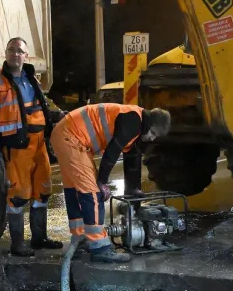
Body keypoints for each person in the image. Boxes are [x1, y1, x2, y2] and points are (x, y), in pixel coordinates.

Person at [51, 104, 171, 264]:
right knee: (93, 193)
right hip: (72, 137)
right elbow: (113, 150)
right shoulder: (133, 121)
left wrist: (133, 188)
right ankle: (99, 248)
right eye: (153, 133)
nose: (152, 139)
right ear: (150, 124)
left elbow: (132, 158)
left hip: (66, 135)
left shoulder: (136, 124)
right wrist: (102, 182)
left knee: (74, 190)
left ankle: (80, 238)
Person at [0, 37, 63, 257]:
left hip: (39, 144)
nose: (15, 54)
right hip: (17, 147)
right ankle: (17, 244)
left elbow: (38, 108)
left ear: (26, 56)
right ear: (6, 53)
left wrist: (57, 117)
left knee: (42, 191)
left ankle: (39, 238)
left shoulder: (31, 78)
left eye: (19, 51)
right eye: (11, 50)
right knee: (17, 195)